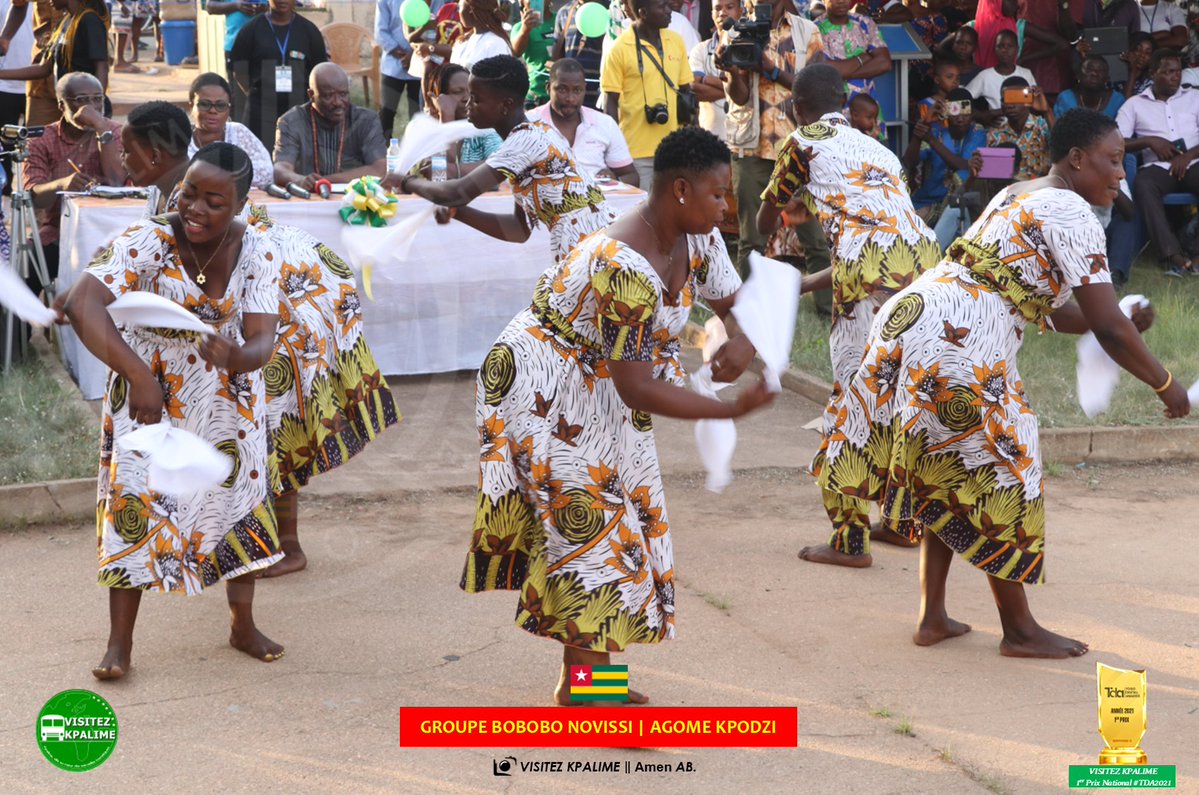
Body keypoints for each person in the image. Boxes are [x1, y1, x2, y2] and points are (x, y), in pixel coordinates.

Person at [814, 108, 1189, 657]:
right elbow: (1105, 325)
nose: (1119, 175)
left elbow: (1056, 311)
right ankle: (1019, 630)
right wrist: (1166, 384)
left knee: (944, 462)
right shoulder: (1072, 212)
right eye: (1112, 161)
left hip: (915, 316)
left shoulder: (1017, 193)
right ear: (1077, 159)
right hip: (960, 341)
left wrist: (1124, 324)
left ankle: (933, 616)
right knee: (1006, 472)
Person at [461, 127, 774, 705]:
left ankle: (578, 685)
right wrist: (723, 411)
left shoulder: (696, 236)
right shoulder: (626, 263)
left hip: (596, 383)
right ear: (681, 189)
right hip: (542, 386)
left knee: (615, 522)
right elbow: (636, 388)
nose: (727, 207)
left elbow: (737, 305)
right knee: (594, 530)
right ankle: (594, 696)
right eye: (719, 194)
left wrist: (743, 343)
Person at [63, 142, 286, 679]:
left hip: (226, 401)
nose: (195, 209)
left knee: (235, 506)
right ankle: (120, 645)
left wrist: (237, 356)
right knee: (135, 506)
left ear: (238, 205)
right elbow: (81, 304)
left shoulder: (257, 250)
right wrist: (140, 375)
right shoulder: (147, 239)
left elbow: (262, 340)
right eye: (190, 192)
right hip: (148, 402)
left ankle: (241, 625)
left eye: (214, 201)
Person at [757, 64, 939, 566]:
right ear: (843, 101)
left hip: (869, 285)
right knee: (904, 397)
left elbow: (765, 217)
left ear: (796, 109)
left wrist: (773, 235)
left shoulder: (802, 142)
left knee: (853, 402)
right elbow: (877, 245)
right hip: (927, 275)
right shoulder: (877, 150)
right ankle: (905, 524)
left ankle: (850, 540)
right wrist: (805, 284)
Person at [386, 55, 615, 265]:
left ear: (505, 106)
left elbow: (456, 193)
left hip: (601, 257)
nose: (467, 105)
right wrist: (458, 212)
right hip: (590, 255)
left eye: (475, 99)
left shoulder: (525, 141)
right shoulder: (531, 135)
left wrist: (406, 181)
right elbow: (518, 230)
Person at [723, 0, 825, 275]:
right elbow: (740, 97)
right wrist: (733, 72)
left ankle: (829, 312)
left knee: (817, 238)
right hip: (753, 147)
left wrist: (770, 69)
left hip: (801, 148)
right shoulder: (736, 31)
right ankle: (745, 315)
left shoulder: (807, 31)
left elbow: (814, 89)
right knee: (751, 240)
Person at [23, 72, 123, 296]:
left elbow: (117, 181)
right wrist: (62, 185)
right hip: (58, 232)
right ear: (61, 105)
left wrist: (100, 127)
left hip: (107, 234)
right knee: (23, 276)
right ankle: (23, 330)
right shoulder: (41, 139)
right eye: (81, 100)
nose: (91, 107)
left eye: (97, 99)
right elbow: (35, 197)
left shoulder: (114, 132)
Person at [1117, 48, 1199, 274]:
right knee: (1143, 185)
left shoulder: (1194, 97)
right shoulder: (1134, 104)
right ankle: (1172, 254)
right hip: (1158, 168)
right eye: (1169, 72)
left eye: (1178, 72)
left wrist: (1188, 156)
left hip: (1194, 162)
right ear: (1153, 73)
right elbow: (1117, 141)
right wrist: (1150, 141)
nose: (1176, 77)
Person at [601, 0, 692, 187]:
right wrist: (614, 150)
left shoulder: (676, 41)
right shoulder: (618, 49)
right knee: (642, 212)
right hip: (635, 152)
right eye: (662, 6)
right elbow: (610, 103)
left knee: (673, 211)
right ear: (643, 13)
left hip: (674, 149)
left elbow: (686, 92)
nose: (670, 11)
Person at [272, 63, 388, 191]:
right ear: (311, 95)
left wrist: (323, 181)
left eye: (343, 94)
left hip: (354, 198)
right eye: (328, 96)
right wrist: (299, 180)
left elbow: (379, 169)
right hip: (307, 198)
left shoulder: (367, 120)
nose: (337, 102)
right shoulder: (291, 121)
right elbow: (280, 169)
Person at [230, 0, 328, 150]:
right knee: (259, 160)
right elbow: (239, 70)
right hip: (260, 112)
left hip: (300, 111)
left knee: (299, 162)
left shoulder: (309, 31)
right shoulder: (251, 30)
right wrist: (254, 92)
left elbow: (319, 71)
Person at [531, 58, 639, 185]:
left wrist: (614, 179)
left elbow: (631, 175)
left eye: (577, 90)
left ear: (584, 89)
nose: (570, 98)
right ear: (548, 88)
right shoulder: (530, 124)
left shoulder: (604, 124)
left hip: (597, 202)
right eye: (562, 90)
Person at [0, 0, 109, 121]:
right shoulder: (64, 23)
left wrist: (96, 104)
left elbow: (102, 66)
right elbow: (44, 68)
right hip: (63, 99)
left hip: (82, 105)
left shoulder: (89, 20)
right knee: (39, 137)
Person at [187, 72, 273, 189]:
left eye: (220, 105)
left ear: (229, 109)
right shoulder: (181, 139)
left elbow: (266, 174)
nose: (213, 111)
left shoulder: (239, 132)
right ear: (191, 106)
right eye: (204, 104)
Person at [425, 61, 504, 173]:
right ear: (438, 98)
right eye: (457, 92)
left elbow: (499, 167)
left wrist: (455, 171)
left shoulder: (484, 129)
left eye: (471, 91)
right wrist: (446, 117)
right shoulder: (430, 132)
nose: (467, 98)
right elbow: (439, 172)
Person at [121, 100, 193, 214]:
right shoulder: (159, 188)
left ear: (155, 156)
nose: (122, 158)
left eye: (126, 151)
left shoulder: (190, 201)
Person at [815, 0, 892, 102]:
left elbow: (884, 63)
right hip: (832, 105)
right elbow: (826, 70)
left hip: (866, 108)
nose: (841, 1)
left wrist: (844, 74)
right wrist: (862, 58)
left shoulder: (864, 23)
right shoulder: (815, 29)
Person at [987, 76, 1054, 180]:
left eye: (1014, 98)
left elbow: (1065, 148)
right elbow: (995, 178)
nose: (1009, 105)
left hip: (1043, 191)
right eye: (1005, 100)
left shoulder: (1043, 126)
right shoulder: (994, 136)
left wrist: (1047, 111)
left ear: (1028, 100)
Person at [964, 29, 1036, 122]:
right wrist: (982, 116)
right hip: (997, 131)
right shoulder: (985, 76)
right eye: (1000, 46)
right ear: (995, 49)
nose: (1005, 50)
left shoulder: (1026, 73)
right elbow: (963, 99)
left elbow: (1034, 102)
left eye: (1009, 46)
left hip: (1024, 129)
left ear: (1017, 49)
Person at [689, 0, 736, 141]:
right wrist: (735, 90)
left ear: (741, 11)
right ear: (712, 14)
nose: (723, 13)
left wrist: (705, 79)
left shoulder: (751, 49)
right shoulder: (700, 49)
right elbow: (693, 88)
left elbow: (753, 89)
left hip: (744, 141)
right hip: (710, 140)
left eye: (729, 7)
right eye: (718, 8)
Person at [375, 0, 420, 138]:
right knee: (387, 111)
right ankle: (383, 151)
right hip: (393, 64)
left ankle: (418, 153)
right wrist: (399, 52)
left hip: (420, 65)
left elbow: (435, 24)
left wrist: (414, 55)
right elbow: (380, 31)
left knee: (418, 114)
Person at [552, 0, 607, 107]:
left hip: (599, 97)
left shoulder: (609, 11)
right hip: (569, 99)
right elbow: (557, 56)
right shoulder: (564, 12)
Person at [512, 0, 554, 107]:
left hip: (562, 92)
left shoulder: (562, 18)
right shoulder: (519, 27)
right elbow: (516, 52)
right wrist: (525, 30)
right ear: (522, 2)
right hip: (536, 95)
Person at [1055, 55, 1126, 119]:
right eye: (1089, 69)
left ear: (1107, 79)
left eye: (1100, 71)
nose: (1094, 74)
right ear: (1078, 75)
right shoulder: (1065, 98)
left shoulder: (1117, 100)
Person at [450, 0, 511, 69]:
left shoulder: (496, 43)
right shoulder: (463, 40)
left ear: (471, 10)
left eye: (459, 7)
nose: (458, 12)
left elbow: (499, 77)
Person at [1120, 31, 1157, 99]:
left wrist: (1133, 71)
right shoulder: (1117, 77)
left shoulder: (1151, 82)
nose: (1142, 55)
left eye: (1148, 52)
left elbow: (1127, 105)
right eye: (1137, 49)